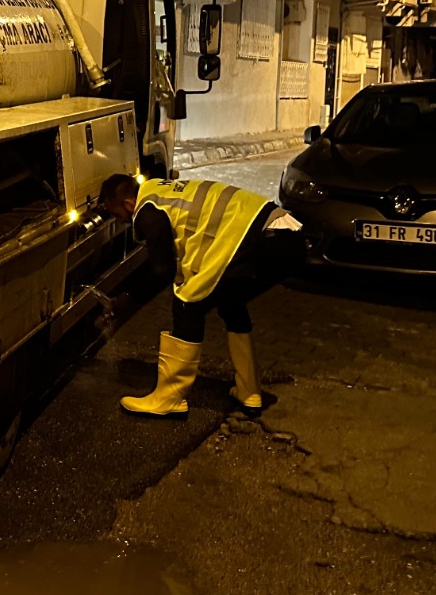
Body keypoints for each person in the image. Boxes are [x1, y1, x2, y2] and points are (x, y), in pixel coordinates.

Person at [98, 173, 306, 417]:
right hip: (288, 239)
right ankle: (249, 391)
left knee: (188, 304)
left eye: (116, 214)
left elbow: (161, 270)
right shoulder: (159, 191)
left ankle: (169, 398)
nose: (119, 221)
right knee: (231, 302)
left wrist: (128, 300)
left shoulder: (148, 210)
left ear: (128, 204)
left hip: (260, 238)